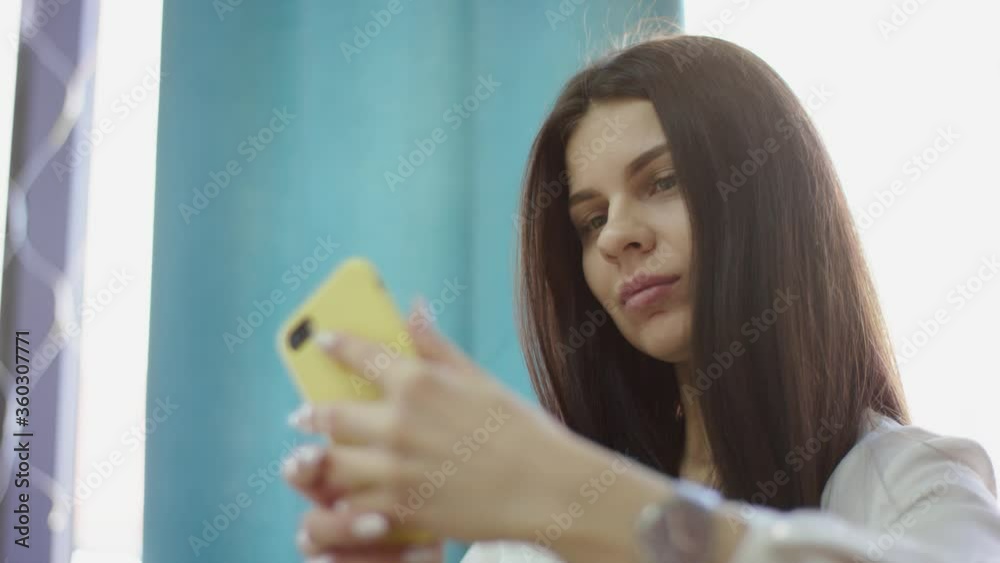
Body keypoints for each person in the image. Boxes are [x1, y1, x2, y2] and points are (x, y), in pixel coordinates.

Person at [281, 34, 1000, 563]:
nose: (617, 236)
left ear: (771, 200)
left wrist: (566, 494)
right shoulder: (520, 543)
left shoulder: (917, 486)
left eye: (662, 181)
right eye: (590, 220)